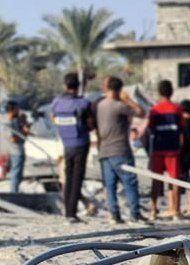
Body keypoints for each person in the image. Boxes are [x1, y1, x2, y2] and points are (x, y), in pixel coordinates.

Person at [95, 76, 145, 223]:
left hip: (104, 150)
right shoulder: (119, 106)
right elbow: (141, 113)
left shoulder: (100, 105)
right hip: (120, 149)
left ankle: (114, 215)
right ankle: (134, 214)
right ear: (119, 89)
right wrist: (128, 99)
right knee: (129, 182)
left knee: (110, 185)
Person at [51, 73, 95, 223]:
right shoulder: (83, 103)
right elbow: (90, 124)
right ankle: (72, 213)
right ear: (78, 86)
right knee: (77, 178)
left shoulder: (57, 102)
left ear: (65, 85)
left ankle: (67, 212)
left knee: (68, 177)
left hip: (66, 143)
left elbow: (53, 118)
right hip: (80, 143)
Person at [146, 79, 184, 219]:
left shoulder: (154, 109)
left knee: (156, 179)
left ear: (159, 92)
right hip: (173, 149)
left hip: (158, 148)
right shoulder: (177, 108)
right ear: (171, 91)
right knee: (174, 180)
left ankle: (153, 209)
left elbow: (150, 128)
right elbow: (181, 129)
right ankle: (176, 210)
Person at [4, 101, 29, 193]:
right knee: (15, 174)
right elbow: (12, 139)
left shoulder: (15, 121)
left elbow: (23, 136)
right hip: (15, 152)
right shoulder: (8, 123)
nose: (19, 111)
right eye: (17, 109)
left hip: (19, 151)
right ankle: (13, 193)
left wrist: (24, 126)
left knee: (18, 175)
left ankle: (17, 191)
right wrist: (22, 132)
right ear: (12, 110)